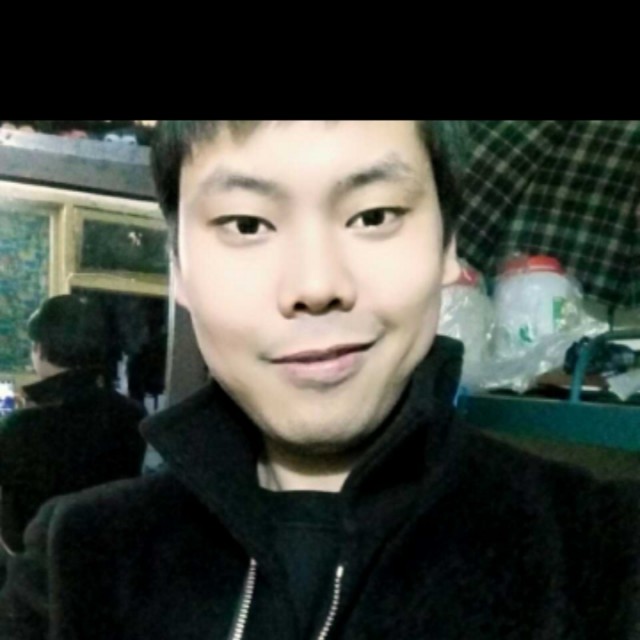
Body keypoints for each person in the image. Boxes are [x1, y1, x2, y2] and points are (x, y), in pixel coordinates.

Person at [1, 121, 639, 639]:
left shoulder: (599, 551)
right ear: (180, 272)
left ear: (448, 247)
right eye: (246, 224)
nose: (316, 285)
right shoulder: (75, 559)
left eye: (374, 215)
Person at [0, 295, 146, 554]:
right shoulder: (132, 414)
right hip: (107, 553)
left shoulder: (22, 424)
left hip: (34, 559)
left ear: (40, 349)